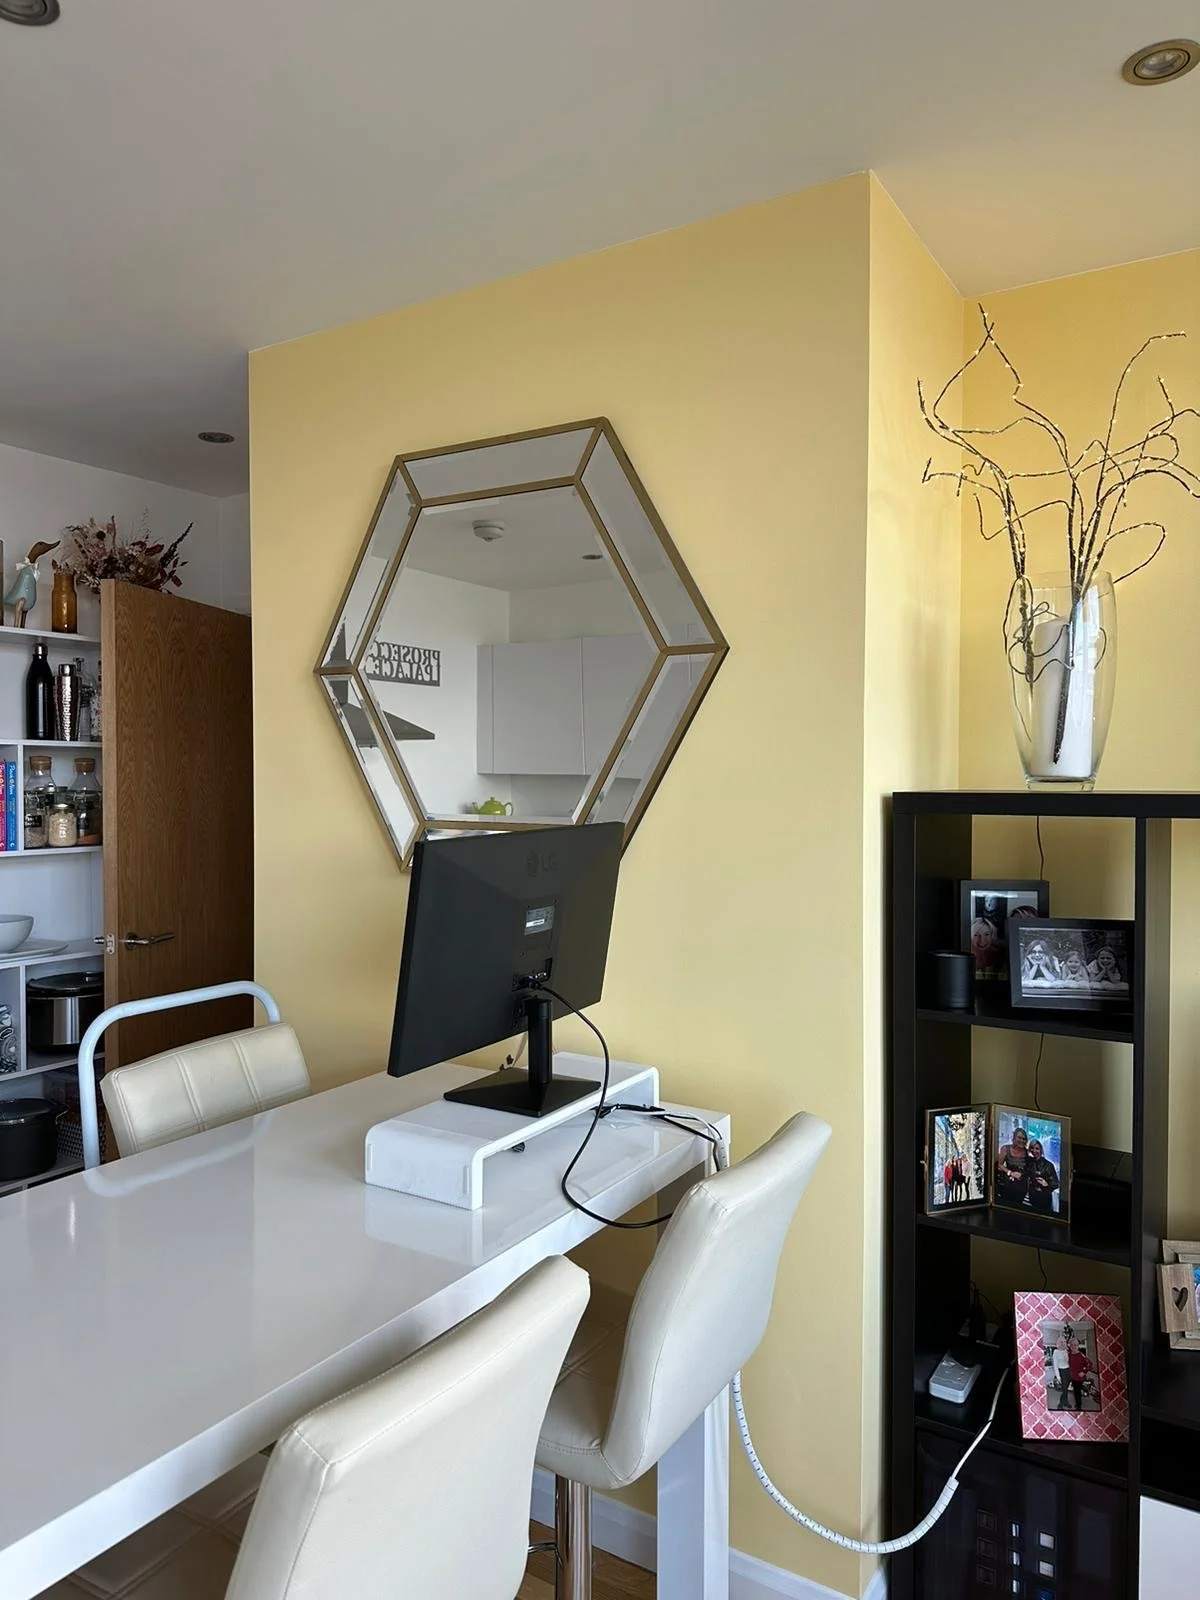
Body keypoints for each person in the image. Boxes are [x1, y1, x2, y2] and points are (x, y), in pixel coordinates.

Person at [995, 1125, 1030, 1204]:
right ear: (1014, 1138)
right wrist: (1010, 1173)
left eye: (1024, 1139)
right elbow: (999, 1165)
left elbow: (1029, 1168)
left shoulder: (1027, 1152)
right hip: (1008, 1185)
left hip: (1022, 1187)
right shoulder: (1005, 1149)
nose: (1022, 1140)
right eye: (1019, 1138)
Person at [1026, 1138, 1060, 1215]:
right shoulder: (1030, 1162)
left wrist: (1046, 1184)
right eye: (1032, 1148)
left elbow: (1056, 1184)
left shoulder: (1049, 1165)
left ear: (1041, 1150)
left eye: (1037, 1148)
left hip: (1044, 1199)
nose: (1034, 1151)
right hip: (1032, 1197)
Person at [1058, 1337, 1094, 1412]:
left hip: (1077, 1378)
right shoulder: (1068, 1354)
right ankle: (1061, 1404)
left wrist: (1084, 1372)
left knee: (1077, 1393)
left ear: (1078, 1346)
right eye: (1072, 1345)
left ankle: (1078, 1407)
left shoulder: (1081, 1356)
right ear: (1070, 1346)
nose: (1074, 1346)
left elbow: (1090, 1364)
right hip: (1068, 1375)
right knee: (1064, 1390)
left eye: (1076, 1345)